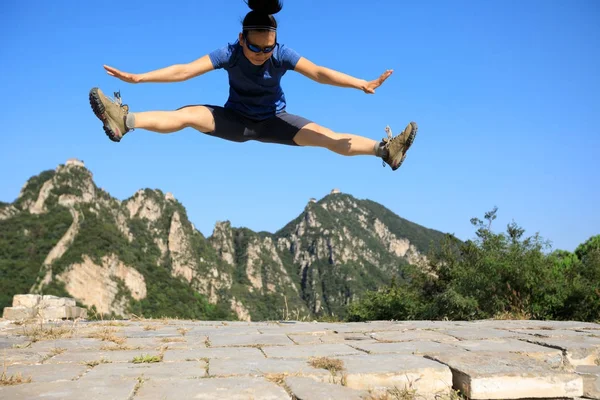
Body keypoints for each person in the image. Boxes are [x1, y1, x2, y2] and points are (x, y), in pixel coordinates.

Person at [88, 0, 418, 171]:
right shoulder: (229, 53)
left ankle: (386, 151)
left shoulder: (282, 54)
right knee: (188, 114)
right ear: (241, 39)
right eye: (255, 47)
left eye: (268, 48)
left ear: (276, 43)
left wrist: (360, 83)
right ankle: (123, 121)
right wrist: (139, 77)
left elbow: (318, 72)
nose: (262, 54)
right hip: (237, 120)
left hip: (276, 122)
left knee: (330, 138)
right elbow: (185, 71)